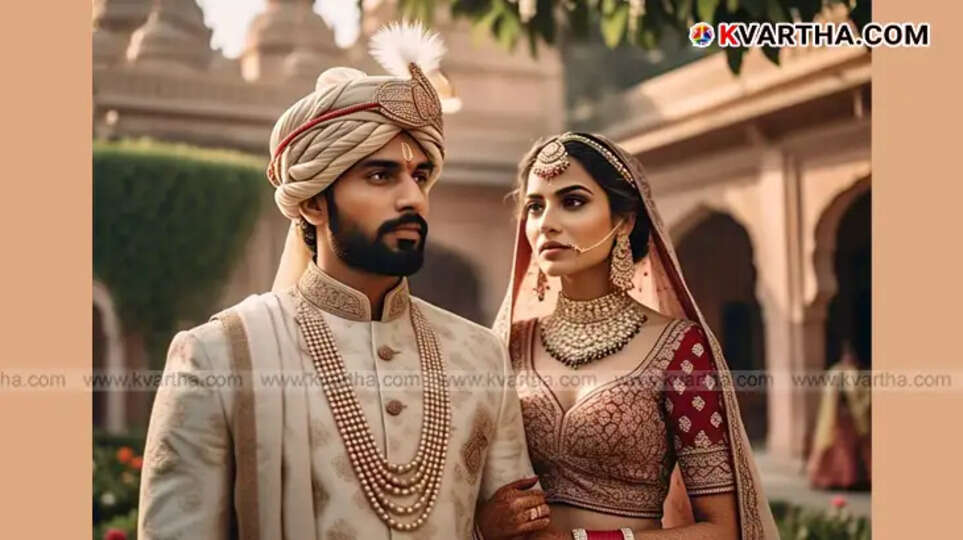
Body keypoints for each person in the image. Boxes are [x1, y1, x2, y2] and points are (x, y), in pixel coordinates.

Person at [138, 23, 549, 539]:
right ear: (313, 202)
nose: (413, 198)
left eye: (420, 176)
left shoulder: (479, 355)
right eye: (380, 176)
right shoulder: (219, 357)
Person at [492, 132, 780, 539]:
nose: (546, 224)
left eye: (572, 202)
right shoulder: (508, 344)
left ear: (624, 221)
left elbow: (723, 529)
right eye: (535, 206)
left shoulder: (679, 348)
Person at [807, 340, 871, 490]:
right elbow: (829, 396)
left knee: (851, 451)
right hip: (835, 418)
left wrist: (856, 408)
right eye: (847, 355)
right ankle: (830, 480)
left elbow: (863, 394)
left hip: (852, 419)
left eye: (851, 355)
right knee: (834, 450)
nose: (849, 358)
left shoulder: (856, 373)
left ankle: (850, 481)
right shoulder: (835, 373)